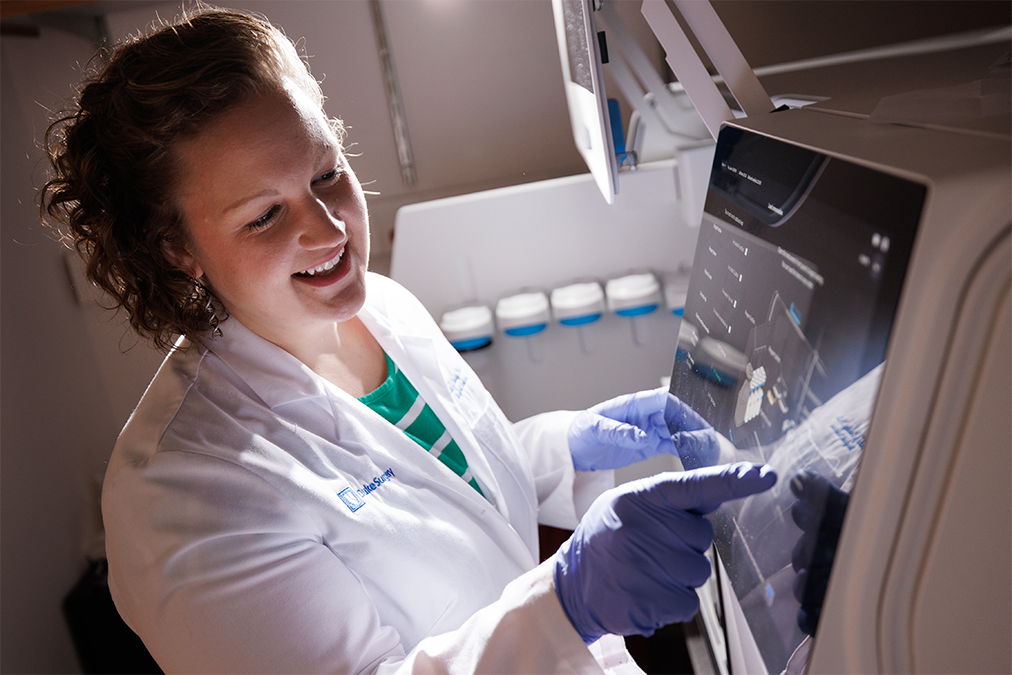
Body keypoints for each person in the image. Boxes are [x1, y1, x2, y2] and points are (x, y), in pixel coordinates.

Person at [41, 8, 776, 674]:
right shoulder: (182, 494)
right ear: (177, 248)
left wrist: (564, 446)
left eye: (328, 173)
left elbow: (441, 487)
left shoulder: (380, 307)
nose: (329, 230)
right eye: (264, 215)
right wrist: (568, 602)